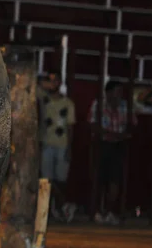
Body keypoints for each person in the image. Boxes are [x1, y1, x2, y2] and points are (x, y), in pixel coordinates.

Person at [88, 80, 137, 225]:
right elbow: (92, 125)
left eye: (121, 92)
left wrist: (122, 136)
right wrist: (110, 133)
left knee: (115, 180)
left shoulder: (125, 106)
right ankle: (96, 211)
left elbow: (133, 125)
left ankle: (109, 211)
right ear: (108, 92)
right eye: (117, 91)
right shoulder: (98, 105)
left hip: (118, 146)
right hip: (102, 145)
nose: (119, 95)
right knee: (99, 178)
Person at [37, 71, 77, 223]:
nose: (52, 84)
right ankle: (62, 206)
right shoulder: (43, 98)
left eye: (55, 81)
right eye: (50, 80)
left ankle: (59, 207)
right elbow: (34, 85)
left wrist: (70, 148)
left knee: (60, 180)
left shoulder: (68, 103)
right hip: (46, 143)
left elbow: (71, 127)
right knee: (46, 180)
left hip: (62, 145)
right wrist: (44, 82)